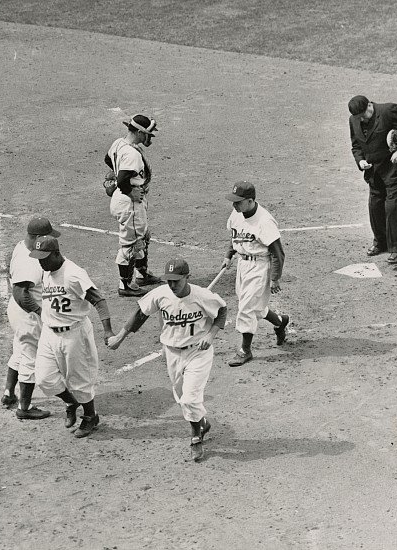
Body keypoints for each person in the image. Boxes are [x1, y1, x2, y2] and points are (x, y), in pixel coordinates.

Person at [107, 257, 227, 462]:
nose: (171, 285)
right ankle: (202, 423)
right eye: (168, 280)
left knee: (190, 398)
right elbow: (140, 314)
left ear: (187, 278)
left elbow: (222, 311)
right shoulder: (161, 294)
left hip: (198, 351)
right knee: (181, 397)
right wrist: (120, 336)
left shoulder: (202, 295)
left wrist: (211, 335)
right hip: (171, 351)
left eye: (176, 281)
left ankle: (196, 436)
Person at [29, 236, 114, 438]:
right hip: (50, 333)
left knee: (80, 380)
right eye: (38, 257)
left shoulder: (73, 274)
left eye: (44, 257)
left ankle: (90, 416)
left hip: (74, 333)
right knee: (44, 378)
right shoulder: (46, 270)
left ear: (57, 254)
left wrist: (108, 330)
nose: (40, 261)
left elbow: (99, 300)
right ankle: (71, 402)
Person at [222, 181, 289, 367]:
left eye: (238, 202)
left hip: (260, 266)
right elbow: (235, 235)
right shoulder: (237, 214)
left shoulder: (264, 221)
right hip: (243, 265)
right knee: (255, 307)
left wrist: (275, 278)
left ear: (250, 200)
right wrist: (229, 255)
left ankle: (245, 350)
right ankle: (280, 322)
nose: (234, 205)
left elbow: (278, 253)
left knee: (246, 308)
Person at [348, 95, 397, 264]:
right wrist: (360, 161)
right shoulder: (354, 120)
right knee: (375, 206)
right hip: (375, 171)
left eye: (363, 115)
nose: (361, 120)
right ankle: (381, 242)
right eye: (358, 118)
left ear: (369, 106)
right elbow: (356, 145)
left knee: (392, 207)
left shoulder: (389, 111)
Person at [1, 217, 61, 420]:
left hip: (17, 311)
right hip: (26, 312)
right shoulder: (30, 260)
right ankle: (24, 408)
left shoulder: (22, 245)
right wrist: (39, 312)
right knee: (30, 358)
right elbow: (21, 293)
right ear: (36, 237)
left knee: (19, 350)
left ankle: (9, 394)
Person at [104, 113, 162, 297]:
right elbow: (122, 179)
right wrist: (131, 191)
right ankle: (126, 286)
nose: (150, 138)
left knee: (143, 236)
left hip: (125, 200)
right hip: (130, 203)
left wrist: (119, 176)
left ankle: (142, 274)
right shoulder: (131, 153)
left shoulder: (119, 144)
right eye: (148, 134)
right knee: (131, 243)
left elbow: (108, 160)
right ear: (139, 132)